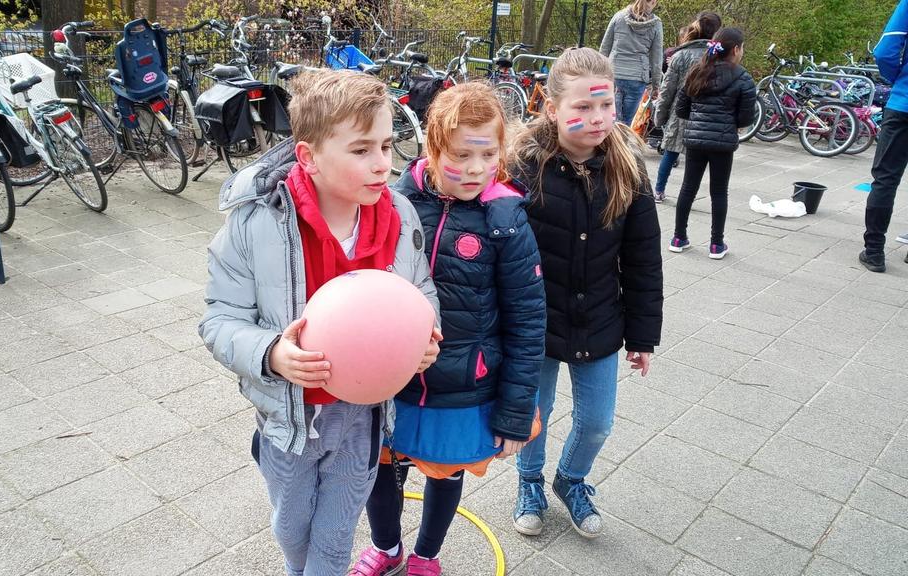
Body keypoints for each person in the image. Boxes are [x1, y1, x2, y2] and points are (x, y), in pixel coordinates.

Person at [198, 69, 442, 576]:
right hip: (288, 419)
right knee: (291, 526)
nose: (383, 164)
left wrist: (424, 335)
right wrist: (271, 354)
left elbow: (419, 292)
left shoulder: (399, 216)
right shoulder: (256, 221)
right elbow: (220, 320)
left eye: (387, 144)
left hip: (364, 415)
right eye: (361, 150)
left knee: (334, 536)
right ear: (308, 157)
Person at [348, 83, 546, 576]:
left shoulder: (507, 222)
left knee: (444, 470)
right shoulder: (394, 203)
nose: (477, 169)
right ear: (433, 149)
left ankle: (426, 556)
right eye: (462, 154)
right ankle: (387, 547)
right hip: (393, 377)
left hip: (462, 384)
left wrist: (515, 411)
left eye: (489, 154)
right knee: (382, 467)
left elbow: (527, 320)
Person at [510, 47, 664, 538]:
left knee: (597, 421)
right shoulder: (520, 168)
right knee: (534, 413)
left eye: (607, 105)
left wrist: (643, 334)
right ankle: (529, 480)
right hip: (535, 321)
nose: (598, 118)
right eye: (582, 107)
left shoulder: (628, 169)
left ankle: (570, 480)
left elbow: (643, 259)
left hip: (599, 319)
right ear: (552, 109)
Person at [668, 27, 756, 260]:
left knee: (688, 187)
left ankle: (678, 237)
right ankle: (716, 244)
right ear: (736, 49)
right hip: (723, 143)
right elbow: (746, 117)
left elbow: (681, 109)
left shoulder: (696, 72)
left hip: (695, 140)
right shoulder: (743, 77)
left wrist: (699, 120)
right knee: (719, 192)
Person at [652, 11, 723, 202]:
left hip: (679, 113)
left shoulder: (680, 55)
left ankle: (658, 190)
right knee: (695, 162)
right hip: (707, 115)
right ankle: (687, 196)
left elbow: (668, 90)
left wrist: (660, 115)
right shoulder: (718, 58)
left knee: (670, 153)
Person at [860, 0, 908, 273]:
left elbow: (886, 51)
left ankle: (874, 251)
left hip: (904, 103)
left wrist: (899, 78)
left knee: (886, 179)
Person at [599, 0, 664, 125]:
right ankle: (622, 143)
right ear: (654, 2)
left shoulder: (619, 16)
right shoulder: (656, 24)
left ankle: (608, 143)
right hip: (637, 78)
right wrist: (656, 85)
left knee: (611, 120)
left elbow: (604, 48)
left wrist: (598, 73)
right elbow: (657, 58)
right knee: (626, 123)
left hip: (614, 74)